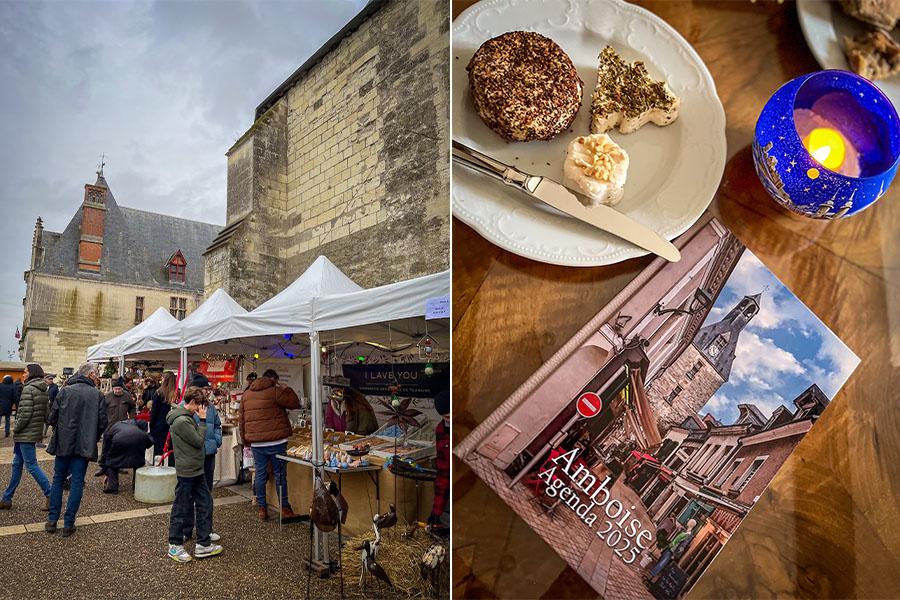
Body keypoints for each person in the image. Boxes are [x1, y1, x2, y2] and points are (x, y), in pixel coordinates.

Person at [45, 362, 107, 537]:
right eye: (96, 374)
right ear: (89, 375)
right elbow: (103, 422)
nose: (98, 378)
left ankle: (52, 520)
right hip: (84, 444)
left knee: (58, 479)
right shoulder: (96, 395)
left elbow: (52, 417)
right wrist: (92, 437)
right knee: (76, 482)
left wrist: (60, 430)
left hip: (64, 442)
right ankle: (68, 523)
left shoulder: (65, 391)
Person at [166, 386, 223, 562]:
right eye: (199, 407)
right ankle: (175, 545)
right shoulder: (182, 421)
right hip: (188, 469)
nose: (201, 411)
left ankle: (203, 543)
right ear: (191, 402)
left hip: (194, 468)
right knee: (181, 506)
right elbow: (198, 441)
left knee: (205, 501)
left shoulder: (186, 417)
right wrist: (204, 422)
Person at [240, 368, 300, 521]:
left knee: (260, 474)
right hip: (277, 441)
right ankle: (284, 508)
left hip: (257, 443)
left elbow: (242, 420)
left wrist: (245, 440)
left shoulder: (246, 394)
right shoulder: (275, 391)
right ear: (274, 380)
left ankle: (262, 508)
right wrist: (287, 389)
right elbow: (294, 403)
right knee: (280, 475)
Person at [0, 364, 52, 511]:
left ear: (31, 373)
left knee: (31, 465)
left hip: (25, 434)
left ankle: (50, 494)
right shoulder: (42, 389)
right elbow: (46, 413)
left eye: (25, 372)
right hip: (30, 433)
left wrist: (15, 428)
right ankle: (6, 498)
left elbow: (24, 414)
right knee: (17, 464)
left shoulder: (29, 389)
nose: (23, 374)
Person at [182, 373, 222, 543]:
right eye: (205, 389)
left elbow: (218, 425)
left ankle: (206, 528)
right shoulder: (185, 407)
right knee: (188, 493)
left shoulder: (211, 407)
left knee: (206, 493)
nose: (207, 392)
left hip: (208, 454)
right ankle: (186, 529)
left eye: (208, 388)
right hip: (192, 456)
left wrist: (216, 441)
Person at [99, 418, 153, 494]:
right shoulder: (134, 422)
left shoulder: (111, 430)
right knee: (138, 463)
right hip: (140, 437)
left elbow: (106, 450)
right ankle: (137, 487)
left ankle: (112, 487)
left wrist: (105, 469)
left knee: (111, 461)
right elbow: (144, 423)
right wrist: (143, 433)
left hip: (120, 439)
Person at [426, 389, 450, 536]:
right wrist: (436, 511)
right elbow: (443, 473)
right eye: (447, 417)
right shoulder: (440, 430)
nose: (451, 420)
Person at [149, 372, 178, 466]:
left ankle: (158, 471)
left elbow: (154, 412)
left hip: (160, 426)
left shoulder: (159, 392)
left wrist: (152, 426)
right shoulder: (178, 392)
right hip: (174, 425)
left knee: (158, 452)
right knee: (172, 451)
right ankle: (171, 471)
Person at [42, 374, 59, 440]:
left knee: (51, 420)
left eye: (52, 379)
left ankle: (51, 433)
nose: (51, 380)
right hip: (44, 406)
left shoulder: (55, 386)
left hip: (51, 406)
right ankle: (43, 433)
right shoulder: (43, 386)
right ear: (45, 379)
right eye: (49, 379)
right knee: (44, 420)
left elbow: (57, 396)